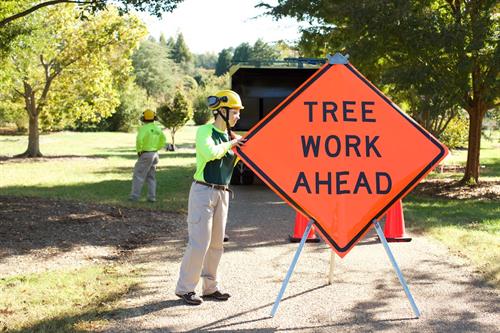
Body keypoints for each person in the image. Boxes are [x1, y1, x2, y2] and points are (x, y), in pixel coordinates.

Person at [175, 90, 246, 305]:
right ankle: (185, 289)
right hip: (203, 191)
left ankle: (210, 288)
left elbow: (231, 161)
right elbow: (210, 153)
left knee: (216, 244)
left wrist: (238, 146)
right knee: (199, 243)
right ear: (221, 112)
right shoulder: (205, 131)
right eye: (235, 112)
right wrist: (232, 145)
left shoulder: (230, 137)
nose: (238, 116)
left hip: (222, 193)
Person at [129, 109, 166, 202]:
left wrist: (139, 151)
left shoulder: (144, 128)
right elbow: (163, 140)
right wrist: (157, 148)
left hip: (146, 154)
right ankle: (151, 197)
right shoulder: (158, 129)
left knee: (138, 175)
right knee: (151, 176)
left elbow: (139, 140)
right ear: (154, 118)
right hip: (155, 154)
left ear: (144, 118)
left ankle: (134, 196)